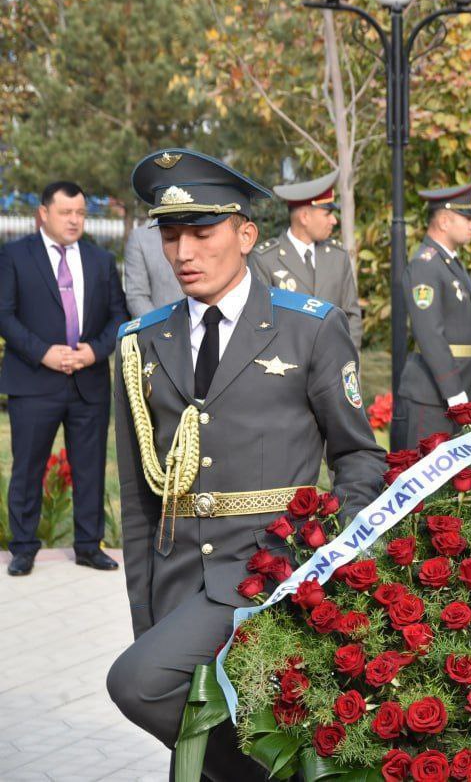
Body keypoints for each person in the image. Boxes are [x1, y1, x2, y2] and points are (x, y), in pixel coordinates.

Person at [105, 149, 384, 779]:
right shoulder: (141, 342)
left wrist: (331, 559)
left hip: (271, 571)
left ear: (247, 235)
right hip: (179, 582)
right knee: (184, 731)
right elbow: (141, 496)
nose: (183, 253)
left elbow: (357, 455)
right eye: (171, 236)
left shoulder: (308, 328)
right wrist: (145, 617)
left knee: (136, 683)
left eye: (202, 234)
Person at [0, 181, 128, 576]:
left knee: (90, 467)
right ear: (44, 214)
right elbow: (4, 314)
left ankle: (89, 546)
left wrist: (95, 351)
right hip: (34, 380)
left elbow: (119, 315)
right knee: (28, 468)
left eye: (81, 213)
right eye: (66, 213)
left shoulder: (100, 259)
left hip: (88, 383)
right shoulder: (14, 256)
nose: (74, 220)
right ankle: (24, 548)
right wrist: (43, 352)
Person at [393, 183, 471, 450]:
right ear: (444, 221)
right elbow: (429, 334)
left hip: (454, 390)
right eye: (466, 218)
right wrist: (454, 392)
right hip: (434, 396)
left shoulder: (447, 261)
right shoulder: (426, 265)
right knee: (428, 470)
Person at [251, 169, 363, 349]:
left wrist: (346, 357)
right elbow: (261, 323)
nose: (334, 221)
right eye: (327, 214)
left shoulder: (338, 256)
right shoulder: (266, 259)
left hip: (333, 361)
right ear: (304, 217)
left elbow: (352, 316)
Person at [124, 217, 184, 317]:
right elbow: (137, 296)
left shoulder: (205, 227)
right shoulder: (140, 237)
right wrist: (161, 324)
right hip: (162, 322)